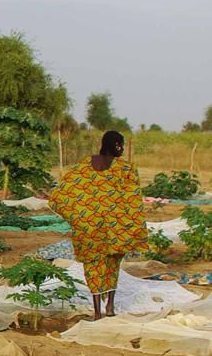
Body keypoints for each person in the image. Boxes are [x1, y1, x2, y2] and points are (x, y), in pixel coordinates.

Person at [49, 130, 149, 319]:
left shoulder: (83, 166)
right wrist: (132, 227)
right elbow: (132, 200)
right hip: (114, 229)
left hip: (88, 228)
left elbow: (60, 194)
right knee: (111, 266)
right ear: (118, 145)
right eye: (122, 145)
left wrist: (79, 217)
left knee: (93, 268)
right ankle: (109, 307)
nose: (123, 149)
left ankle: (97, 312)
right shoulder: (125, 168)